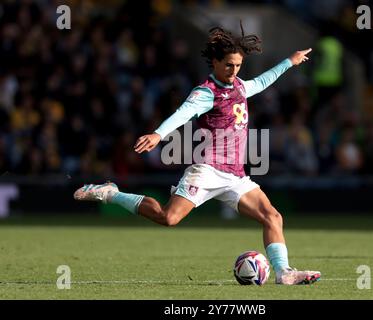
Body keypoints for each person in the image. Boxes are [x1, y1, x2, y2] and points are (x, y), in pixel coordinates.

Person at [74, 23, 321, 285]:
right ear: (214, 62)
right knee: (168, 218)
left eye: (237, 65)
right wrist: (159, 133)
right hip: (207, 170)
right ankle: (111, 193)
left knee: (273, 216)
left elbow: (261, 81)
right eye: (228, 65)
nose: (234, 70)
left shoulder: (239, 86)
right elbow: (183, 114)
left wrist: (289, 62)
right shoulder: (205, 92)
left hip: (235, 176)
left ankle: (283, 272)